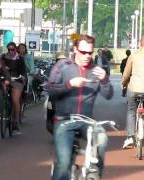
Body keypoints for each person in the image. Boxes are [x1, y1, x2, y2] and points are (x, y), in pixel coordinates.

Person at [48, 34, 113, 179]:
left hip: (86, 121)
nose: (87, 56)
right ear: (75, 49)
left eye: (90, 52)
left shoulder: (96, 70)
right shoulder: (63, 66)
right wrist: (69, 84)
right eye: (83, 52)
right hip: (65, 120)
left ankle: (94, 173)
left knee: (102, 138)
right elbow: (50, 90)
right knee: (63, 163)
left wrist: (104, 79)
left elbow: (108, 95)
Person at [2, 42, 27, 133]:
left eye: (12, 49)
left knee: (15, 100)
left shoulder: (20, 58)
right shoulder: (3, 57)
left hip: (17, 80)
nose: (10, 51)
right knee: (1, 93)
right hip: (6, 80)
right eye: (9, 49)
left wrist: (22, 76)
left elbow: (23, 71)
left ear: (16, 49)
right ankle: (1, 113)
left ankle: (15, 120)